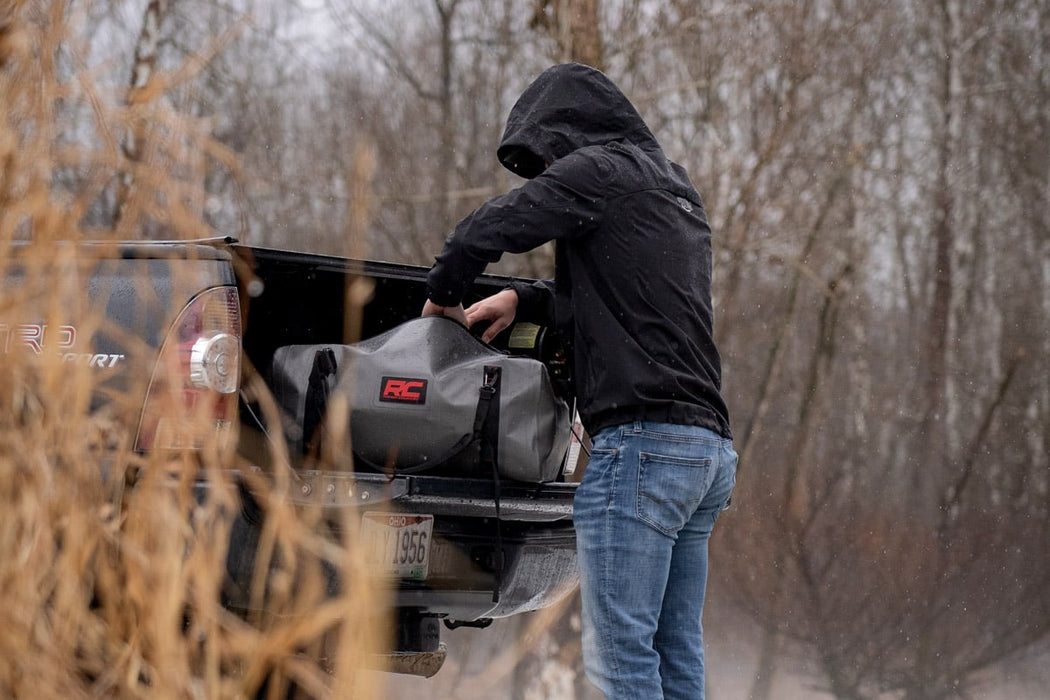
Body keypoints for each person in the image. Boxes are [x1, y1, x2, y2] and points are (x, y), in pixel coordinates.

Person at [421, 62, 737, 700]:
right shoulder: (674, 189)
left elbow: (486, 230)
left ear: (565, 134)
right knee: (675, 652)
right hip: (706, 455)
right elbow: (631, 295)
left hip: (642, 451)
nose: (549, 173)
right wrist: (525, 300)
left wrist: (446, 296)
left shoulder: (600, 170)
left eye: (547, 158)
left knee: (623, 661)